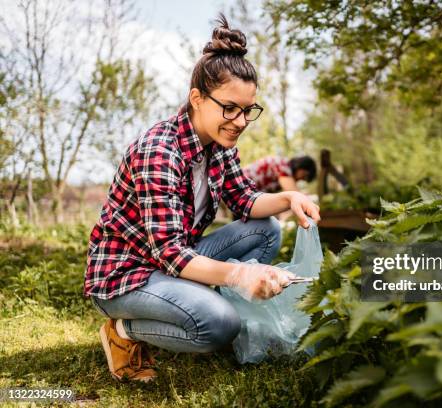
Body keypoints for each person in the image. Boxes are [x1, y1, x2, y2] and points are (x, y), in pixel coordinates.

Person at [82, 15, 320, 383]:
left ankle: (203, 306)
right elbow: (171, 253)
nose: (239, 121)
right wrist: (241, 274)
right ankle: (124, 331)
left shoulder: (219, 145)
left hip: (170, 265)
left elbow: (244, 200)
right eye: (230, 108)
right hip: (127, 277)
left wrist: (289, 197)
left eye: (247, 111)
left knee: (267, 229)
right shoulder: (159, 152)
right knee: (219, 324)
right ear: (197, 98)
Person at [243, 155, 317, 193]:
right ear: (300, 166)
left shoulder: (284, 168)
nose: (301, 179)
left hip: (247, 191)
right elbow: (294, 194)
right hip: (241, 184)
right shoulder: (284, 167)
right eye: (304, 176)